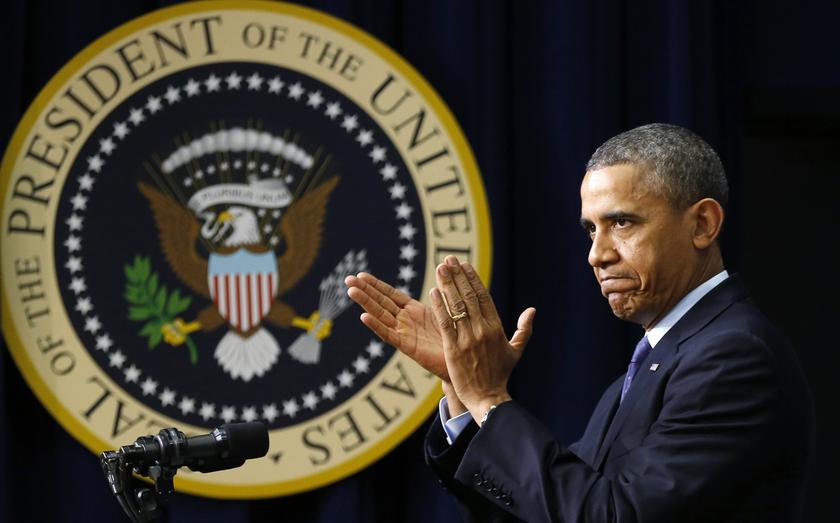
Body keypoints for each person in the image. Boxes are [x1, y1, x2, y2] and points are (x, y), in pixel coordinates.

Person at [344, 123, 814, 522]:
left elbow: (611, 516)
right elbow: (549, 507)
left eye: (623, 223)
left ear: (703, 225)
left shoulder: (734, 358)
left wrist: (489, 397)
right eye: (591, 229)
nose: (597, 254)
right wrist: (461, 386)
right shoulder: (651, 366)